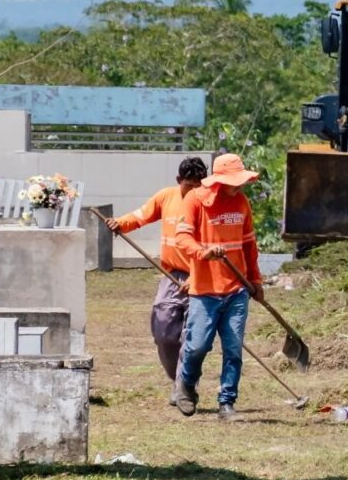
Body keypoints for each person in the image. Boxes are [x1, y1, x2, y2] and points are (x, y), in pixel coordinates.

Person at [105, 157, 208, 404]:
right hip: (171, 276)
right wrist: (120, 224)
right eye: (190, 186)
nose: (195, 191)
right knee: (163, 332)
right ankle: (178, 381)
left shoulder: (208, 203)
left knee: (192, 336)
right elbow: (141, 215)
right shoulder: (166, 197)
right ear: (178, 181)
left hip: (202, 276)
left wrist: (196, 277)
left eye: (199, 186)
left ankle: (184, 386)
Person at [172, 153, 264, 418]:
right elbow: (182, 237)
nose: (239, 186)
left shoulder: (241, 202)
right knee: (198, 346)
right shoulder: (195, 200)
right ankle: (187, 384)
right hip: (205, 291)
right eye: (234, 181)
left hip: (237, 290)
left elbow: (249, 246)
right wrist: (204, 252)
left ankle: (227, 402)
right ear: (219, 180)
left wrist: (255, 280)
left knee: (233, 348)